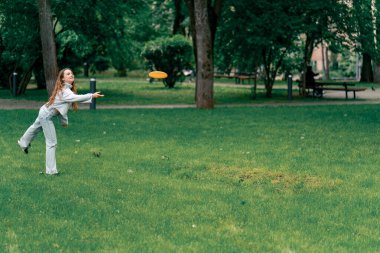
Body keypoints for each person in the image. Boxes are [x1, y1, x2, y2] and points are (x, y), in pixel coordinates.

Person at [17, 68, 104, 175]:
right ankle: (51, 171)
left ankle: (23, 143)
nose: (71, 75)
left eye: (72, 73)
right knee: (51, 143)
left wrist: (64, 121)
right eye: (68, 74)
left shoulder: (66, 90)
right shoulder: (65, 91)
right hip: (45, 116)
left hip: (43, 111)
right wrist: (92, 95)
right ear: (62, 79)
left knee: (35, 128)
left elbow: (67, 104)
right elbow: (76, 98)